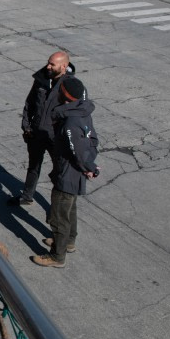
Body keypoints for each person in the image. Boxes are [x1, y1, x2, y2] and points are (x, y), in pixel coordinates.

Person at [31, 77, 99, 268]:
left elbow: (76, 152)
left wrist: (89, 167)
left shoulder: (69, 122)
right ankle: (68, 241)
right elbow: (92, 141)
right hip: (76, 173)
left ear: (65, 96)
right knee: (71, 209)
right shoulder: (84, 113)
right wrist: (89, 164)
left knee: (60, 215)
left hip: (67, 173)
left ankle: (57, 256)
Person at [8, 51, 76, 206]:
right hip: (36, 133)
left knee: (60, 172)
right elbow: (29, 103)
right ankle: (27, 196)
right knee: (33, 166)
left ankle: (57, 208)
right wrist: (26, 126)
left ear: (64, 66)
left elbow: (76, 115)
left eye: (52, 64)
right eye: (48, 62)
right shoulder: (42, 79)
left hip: (56, 138)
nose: (48, 66)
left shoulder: (71, 86)